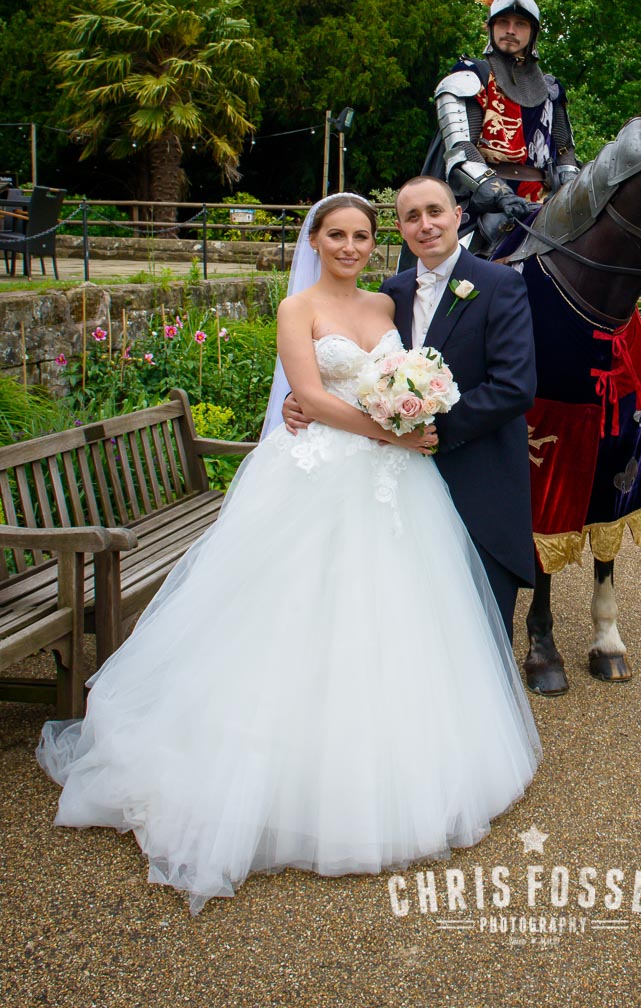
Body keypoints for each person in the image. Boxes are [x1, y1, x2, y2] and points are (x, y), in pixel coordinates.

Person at [37, 193, 540, 913]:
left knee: (400, 617)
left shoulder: (390, 303)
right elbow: (306, 392)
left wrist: (411, 417)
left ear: (383, 240)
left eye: (362, 234)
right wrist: (383, 428)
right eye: (337, 233)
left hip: (400, 485)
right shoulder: (298, 307)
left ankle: (397, 764)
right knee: (294, 616)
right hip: (324, 476)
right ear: (315, 238)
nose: (350, 244)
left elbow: (448, 378)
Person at [284, 176, 538, 638]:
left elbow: (515, 386)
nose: (426, 225)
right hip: (391, 480)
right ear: (400, 228)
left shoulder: (499, 283)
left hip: (477, 476)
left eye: (435, 212)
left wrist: (433, 430)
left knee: (481, 629)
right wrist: (300, 396)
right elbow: (358, 367)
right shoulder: (391, 293)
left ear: (457, 216)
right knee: (400, 621)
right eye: (412, 217)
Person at [433, 0, 579, 249]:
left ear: (533, 33)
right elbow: (459, 149)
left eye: (521, 24)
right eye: (504, 23)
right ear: (491, 28)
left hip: (545, 202)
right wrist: (497, 195)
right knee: (458, 264)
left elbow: (564, 149)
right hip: (482, 203)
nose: (511, 31)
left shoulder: (551, 89)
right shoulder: (470, 78)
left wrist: (570, 190)